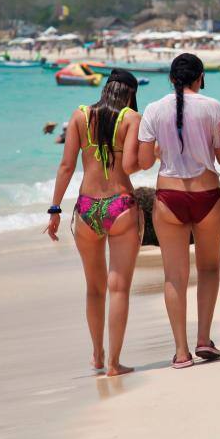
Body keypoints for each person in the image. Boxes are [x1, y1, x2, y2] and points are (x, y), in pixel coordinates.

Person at [44, 69, 143, 377]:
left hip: (86, 209)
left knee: (94, 288)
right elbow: (131, 165)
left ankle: (97, 355)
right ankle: (114, 363)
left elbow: (65, 165)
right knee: (119, 288)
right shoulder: (130, 119)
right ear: (129, 93)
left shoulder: (80, 115)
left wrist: (55, 208)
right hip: (121, 205)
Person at [135, 54, 220, 369]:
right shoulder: (212, 106)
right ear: (199, 77)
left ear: (170, 78)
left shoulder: (153, 109)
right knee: (209, 270)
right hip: (207, 194)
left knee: (174, 277)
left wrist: (162, 151)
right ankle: (204, 338)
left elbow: (145, 162)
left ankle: (180, 352)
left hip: (169, 196)